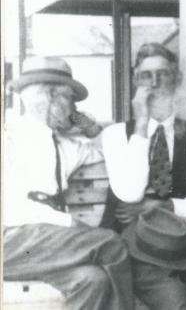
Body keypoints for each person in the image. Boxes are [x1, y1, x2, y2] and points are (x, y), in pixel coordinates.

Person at [101, 43, 186, 309]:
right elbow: (129, 192)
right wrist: (142, 124)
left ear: (177, 78)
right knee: (179, 305)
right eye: (146, 76)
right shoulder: (115, 136)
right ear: (136, 81)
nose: (155, 83)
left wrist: (168, 207)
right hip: (136, 245)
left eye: (163, 73)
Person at [3, 56, 135, 310]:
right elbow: (10, 207)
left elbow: (106, 148)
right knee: (111, 243)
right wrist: (67, 222)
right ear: (51, 97)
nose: (73, 107)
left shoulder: (64, 146)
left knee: (92, 280)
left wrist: (84, 123)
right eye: (69, 98)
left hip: (42, 246)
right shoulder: (8, 138)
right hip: (11, 242)